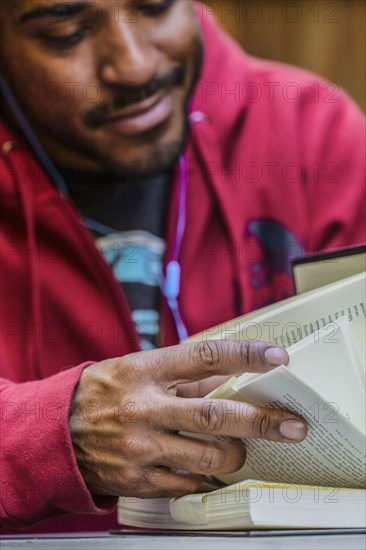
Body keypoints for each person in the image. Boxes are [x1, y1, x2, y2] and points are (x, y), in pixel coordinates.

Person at [0, 0, 364, 534]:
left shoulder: (312, 130)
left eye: (155, 7)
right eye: (66, 33)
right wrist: (44, 437)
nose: (134, 67)